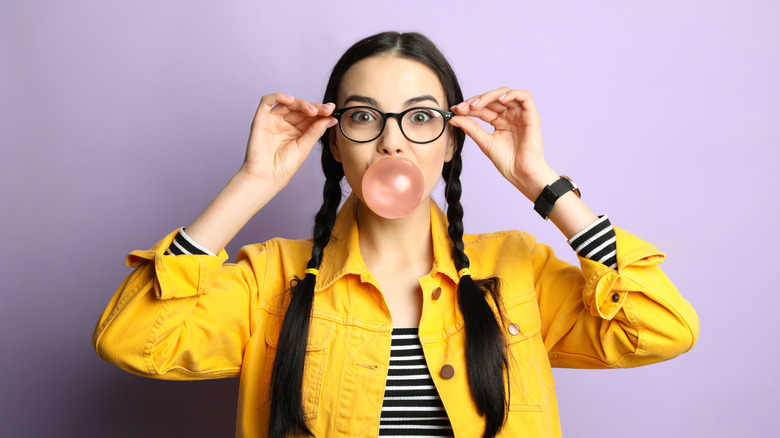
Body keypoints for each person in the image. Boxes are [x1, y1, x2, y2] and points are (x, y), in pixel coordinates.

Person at [92, 31, 699, 438]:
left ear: (453, 138)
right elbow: (133, 340)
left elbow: (662, 329)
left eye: (420, 117)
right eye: (362, 117)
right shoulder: (269, 279)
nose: (392, 141)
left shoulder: (519, 273)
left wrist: (544, 184)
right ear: (334, 141)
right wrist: (253, 182)